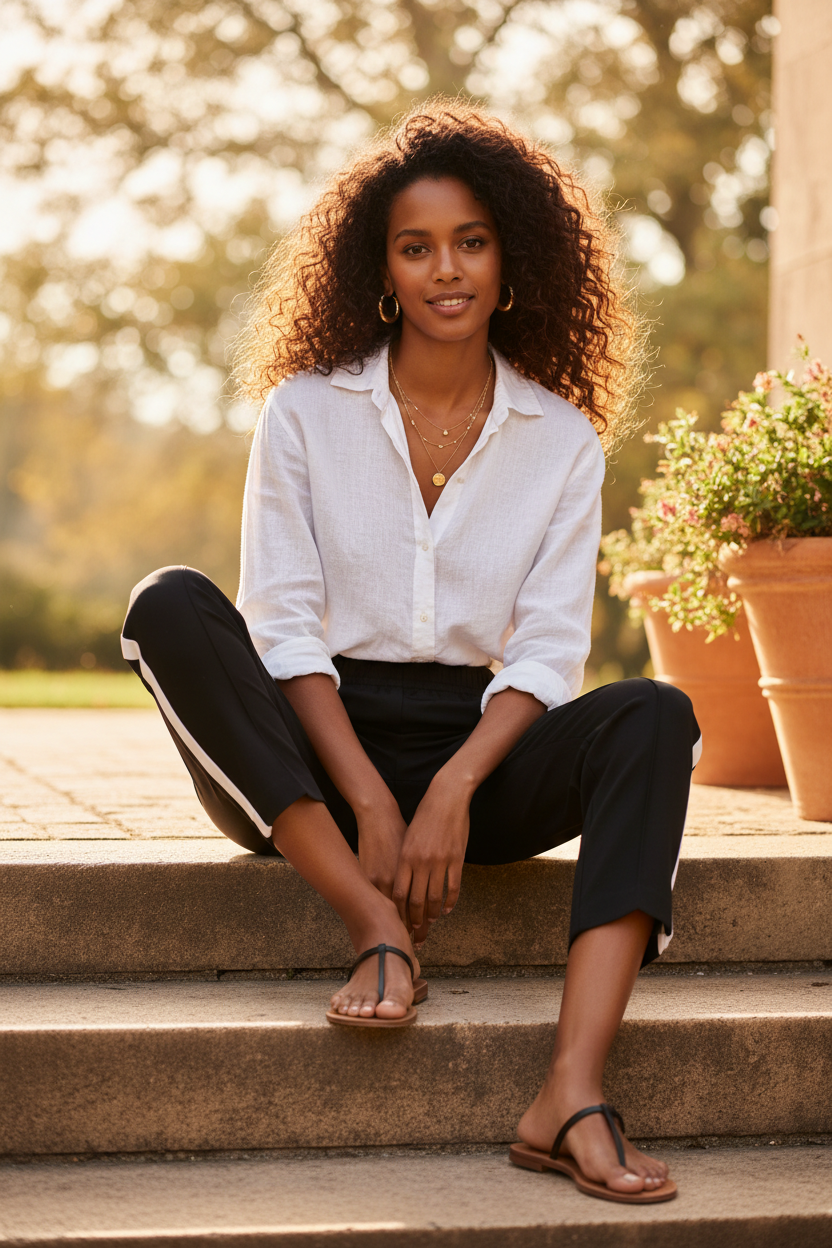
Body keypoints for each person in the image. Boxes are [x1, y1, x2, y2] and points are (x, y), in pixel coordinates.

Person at [122, 101, 700, 1204]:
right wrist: (370, 802)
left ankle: (569, 1093)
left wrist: (450, 790)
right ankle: (372, 923)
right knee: (172, 605)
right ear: (380, 270)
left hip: (477, 756)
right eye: (416, 246)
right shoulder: (303, 412)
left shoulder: (562, 438)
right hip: (307, 755)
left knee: (656, 715)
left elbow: (547, 648)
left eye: (470, 242)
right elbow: (283, 624)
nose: (447, 270)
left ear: (511, 259)